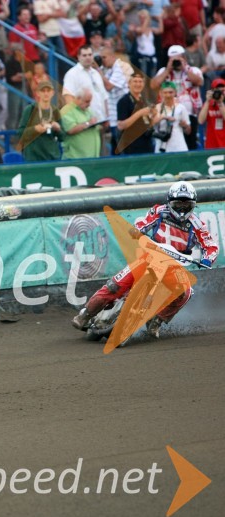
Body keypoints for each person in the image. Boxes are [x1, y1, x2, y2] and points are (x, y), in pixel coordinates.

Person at [72, 182, 218, 338]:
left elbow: (211, 246)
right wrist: (137, 231)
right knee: (115, 285)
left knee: (186, 292)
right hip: (149, 256)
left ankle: (157, 320)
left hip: (174, 265)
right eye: (178, 204)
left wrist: (208, 259)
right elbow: (142, 223)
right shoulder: (158, 211)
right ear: (169, 202)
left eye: (186, 205)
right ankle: (86, 314)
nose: (182, 209)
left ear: (193, 205)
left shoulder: (197, 225)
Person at [150, 45, 203, 150]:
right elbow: (153, 85)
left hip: (189, 113)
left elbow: (199, 82)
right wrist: (168, 69)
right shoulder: (163, 71)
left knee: (190, 144)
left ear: (184, 57)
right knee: (169, 144)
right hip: (168, 115)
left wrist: (185, 68)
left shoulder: (193, 70)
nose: (175, 62)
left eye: (178, 59)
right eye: (172, 59)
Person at [17, 80, 65, 161]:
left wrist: (58, 129)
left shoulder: (55, 111)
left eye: (48, 91)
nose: (46, 93)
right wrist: (35, 129)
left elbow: (62, 137)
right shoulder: (30, 109)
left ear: (52, 93)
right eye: (43, 91)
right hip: (33, 157)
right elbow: (20, 134)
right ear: (38, 93)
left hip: (52, 157)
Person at [116, 72, 157, 155]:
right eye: (135, 81)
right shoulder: (124, 101)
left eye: (140, 82)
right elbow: (121, 126)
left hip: (147, 142)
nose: (138, 84)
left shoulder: (144, 101)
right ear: (129, 84)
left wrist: (153, 116)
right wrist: (140, 113)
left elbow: (149, 124)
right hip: (131, 145)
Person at [61, 88, 101, 159]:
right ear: (78, 98)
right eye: (87, 101)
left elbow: (94, 126)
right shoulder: (67, 111)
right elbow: (70, 129)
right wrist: (88, 123)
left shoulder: (88, 111)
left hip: (92, 158)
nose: (89, 104)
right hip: (75, 159)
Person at [151, 80, 191, 153]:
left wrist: (185, 126)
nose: (168, 95)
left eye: (170, 92)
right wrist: (163, 117)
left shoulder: (181, 108)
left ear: (175, 92)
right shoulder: (157, 108)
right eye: (165, 93)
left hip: (179, 147)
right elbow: (150, 124)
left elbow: (188, 131)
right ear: (160, 93)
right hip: (161, 147)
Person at [199, 77, 225, 149]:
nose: (220, 91)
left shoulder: (222, 104)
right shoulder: (209, 104)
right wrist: (207, 101)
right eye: (217, 89)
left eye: (222, 88)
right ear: (212, 91)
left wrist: (220, 103)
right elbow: (201, 121)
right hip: (211, 143)